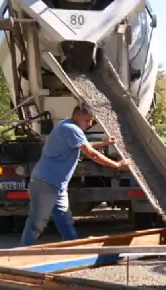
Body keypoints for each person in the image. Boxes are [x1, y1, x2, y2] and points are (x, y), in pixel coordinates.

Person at [20, 105, 129, 246]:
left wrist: (103, 144)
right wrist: (117, 165)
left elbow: (83, 144)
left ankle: (73, 248)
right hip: (45, 183)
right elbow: (92, 154)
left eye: (92, 120)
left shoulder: (66, 125)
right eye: (88, 120)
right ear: (77, 116)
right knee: (37, 222)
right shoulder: (71, 129)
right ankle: (23, 251)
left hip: (57, 185)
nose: (90, 124)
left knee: (65, 221)